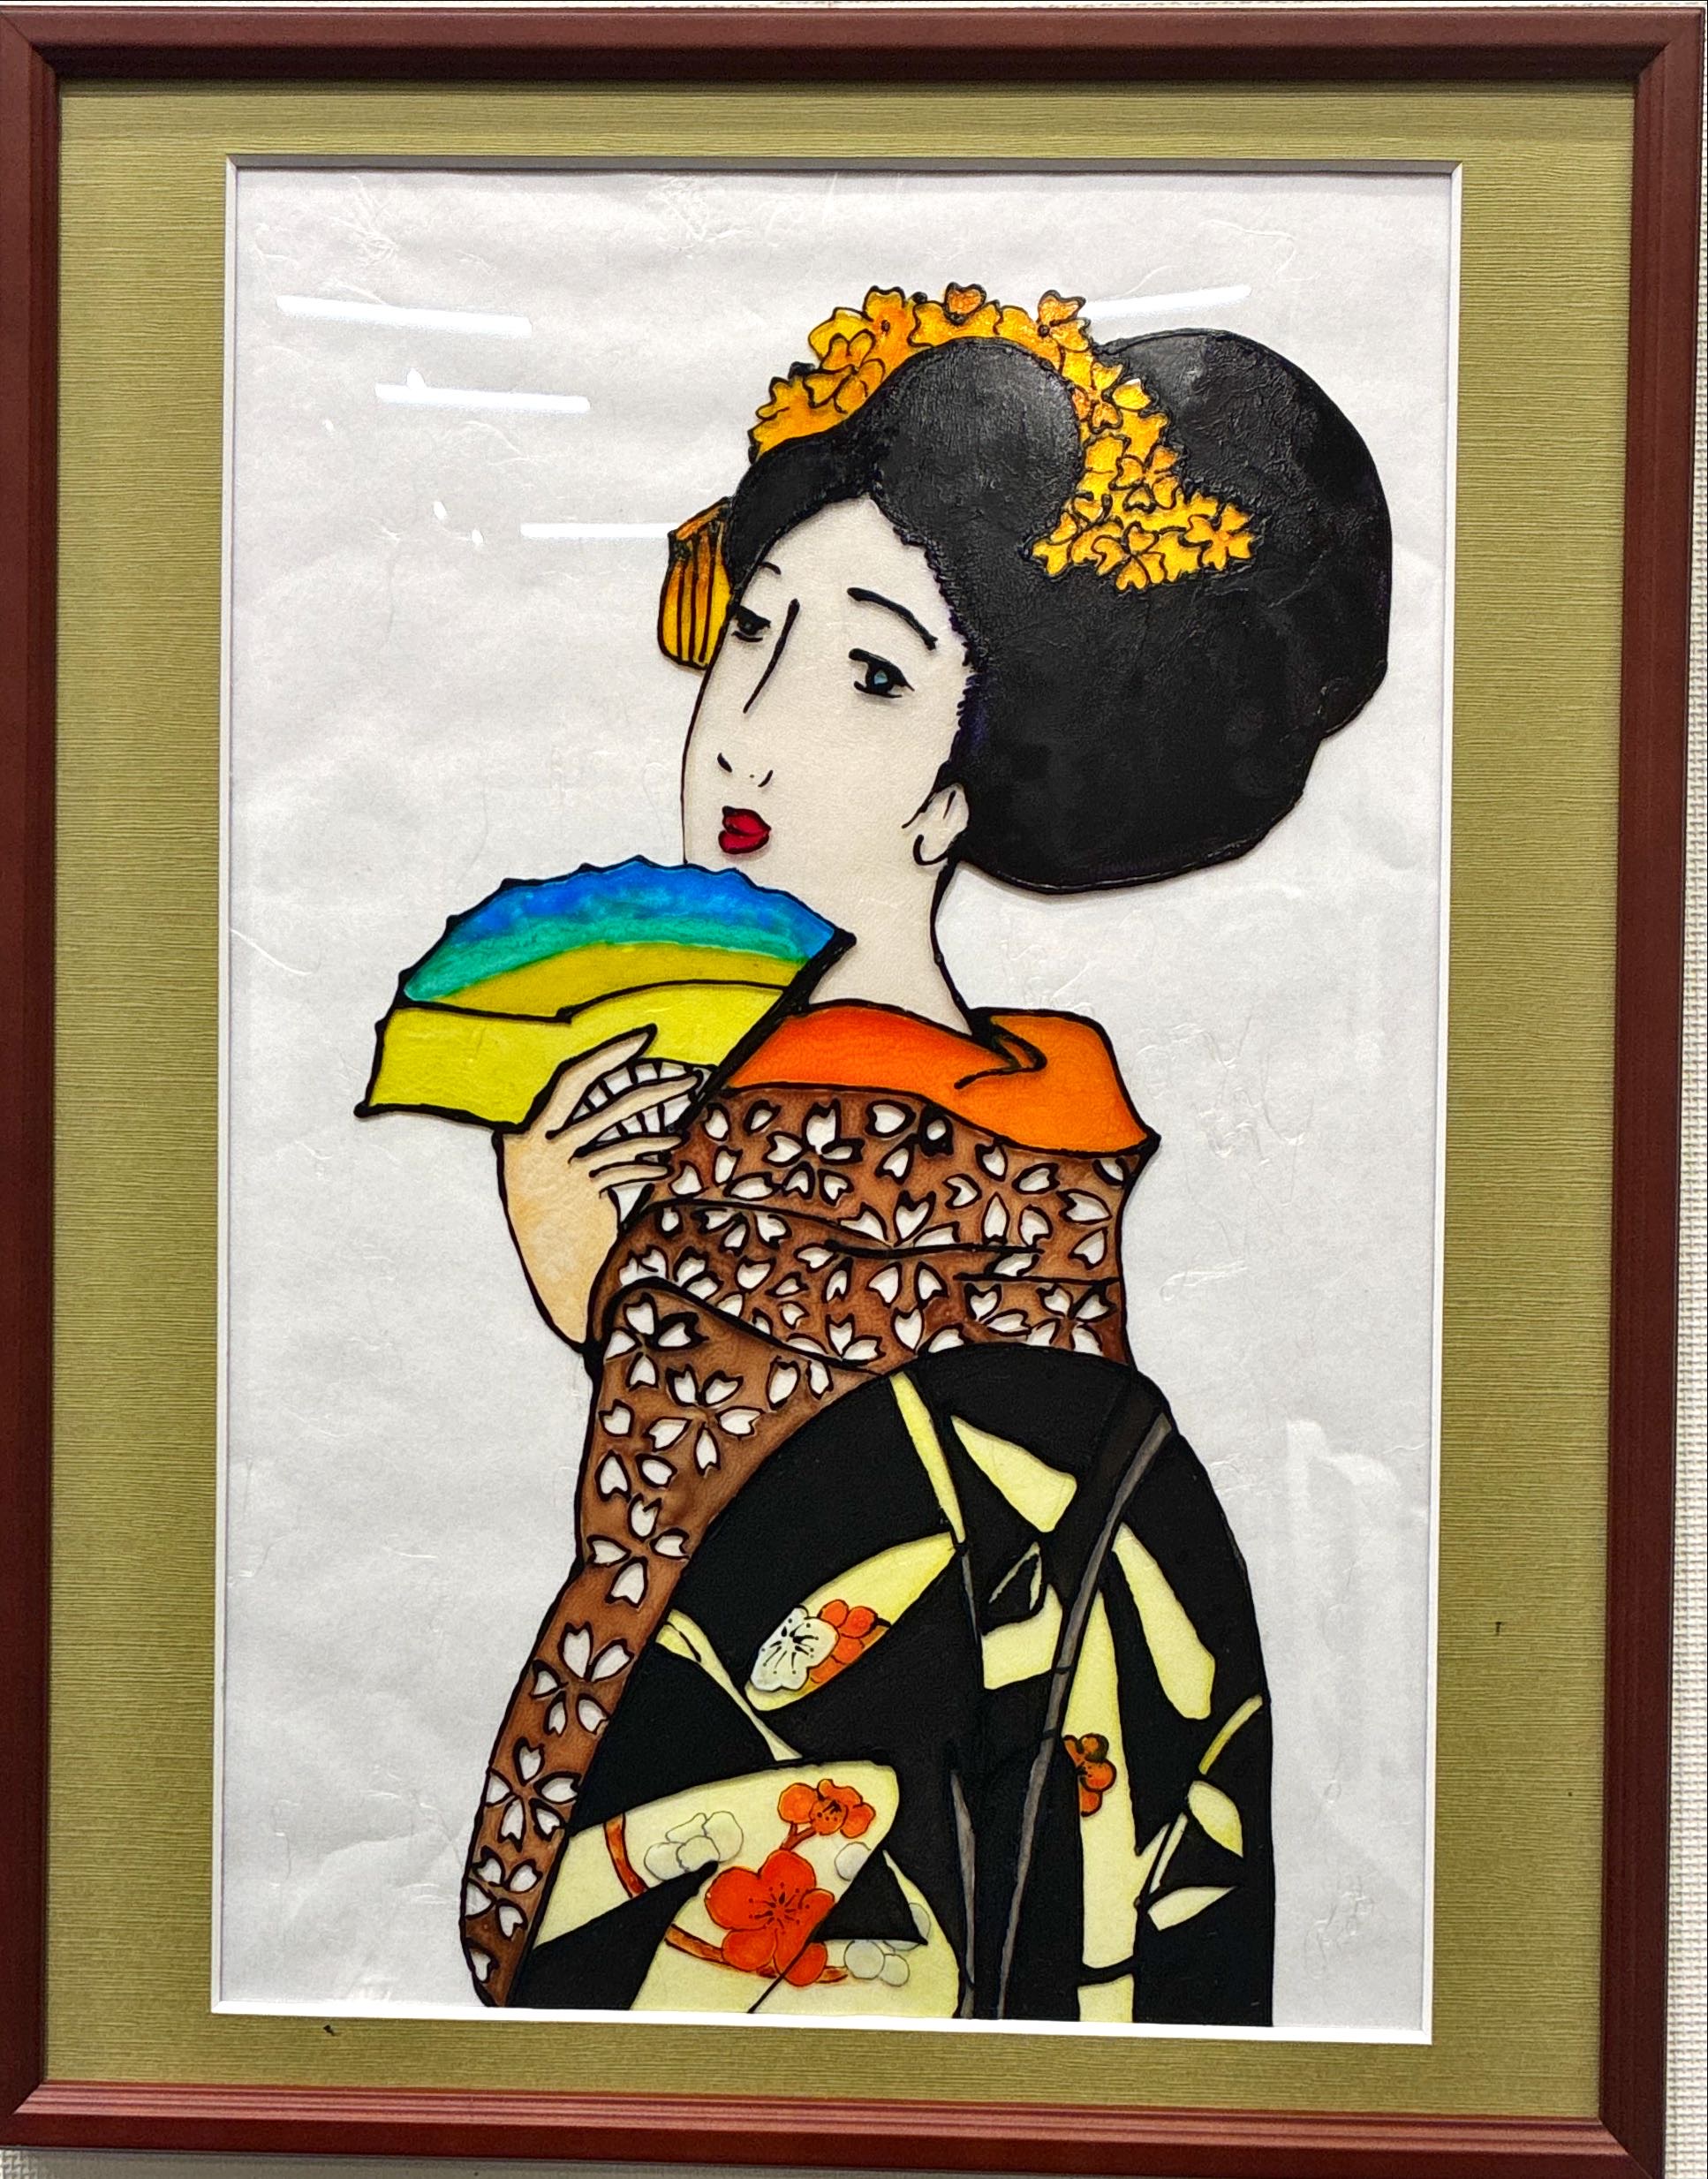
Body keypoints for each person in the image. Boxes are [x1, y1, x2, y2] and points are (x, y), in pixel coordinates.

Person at [460, 284, 1391, 2023]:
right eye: (755, 628)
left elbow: (771, 1496)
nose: (749, 722)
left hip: (800, 1858)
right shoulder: (1027, 1120)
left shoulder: (831, 1122)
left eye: (871, 672)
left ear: (966, 781)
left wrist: (605, 1272)